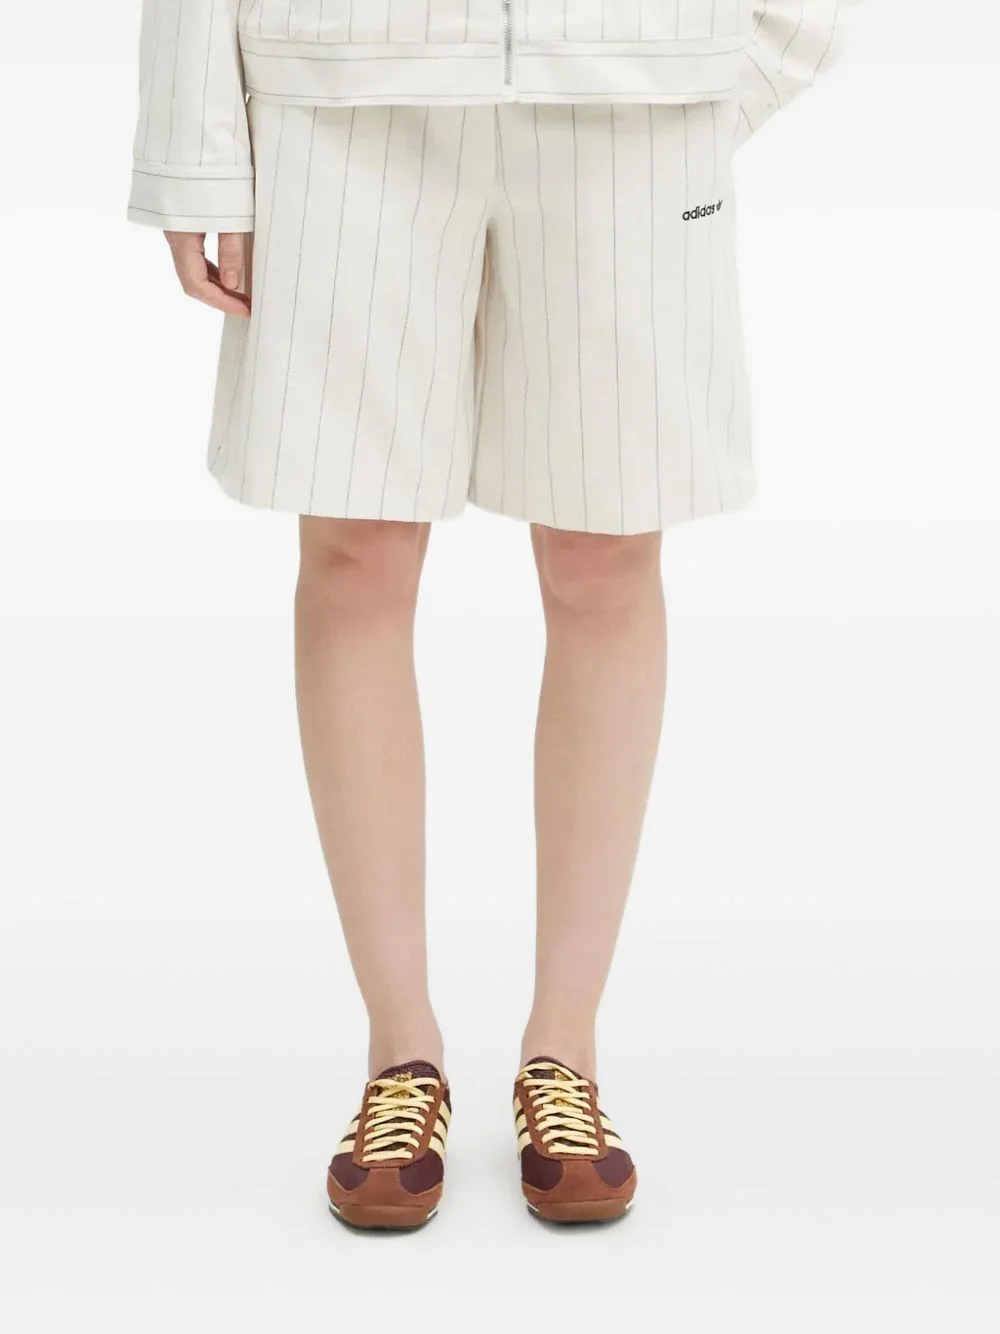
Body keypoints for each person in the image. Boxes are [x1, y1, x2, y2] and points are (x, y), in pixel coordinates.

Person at [129, 0, 858, 1230]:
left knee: (605, 555)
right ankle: (398, 1052)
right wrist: (196, 143)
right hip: (342, 82)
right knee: (354, 549)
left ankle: (563, 1050)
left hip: (631, 79)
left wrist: (745, 53)